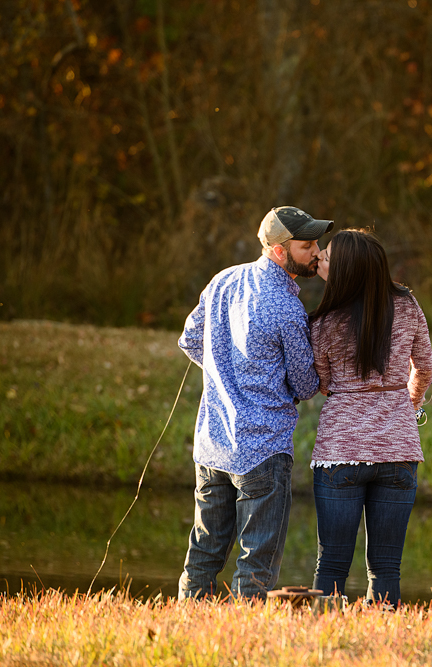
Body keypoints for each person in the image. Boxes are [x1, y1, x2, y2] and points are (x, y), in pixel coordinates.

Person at [177, 206, 332, 600]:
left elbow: (190, 340)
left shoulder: (223, 280)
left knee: (202, 557)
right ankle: (247, 640)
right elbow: (305, 382)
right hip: (263, 451)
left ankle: (187, 630)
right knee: (256, 565)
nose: (317, 251)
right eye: (307, 245)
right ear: (280, 251)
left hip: (212, 445)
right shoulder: (287, 308)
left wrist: (225, 372)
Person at [308, 229, 432, 608]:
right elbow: (425, 369)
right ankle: (384, 641)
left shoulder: (324, 321)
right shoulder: (408, 305)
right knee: (386, 567)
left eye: (327, 257)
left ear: (347, 269)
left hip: (339, 453)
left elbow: (322, 382)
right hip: (399, 451)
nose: (320, 261)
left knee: (331, 562)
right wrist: (407, 407)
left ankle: (322, 637)